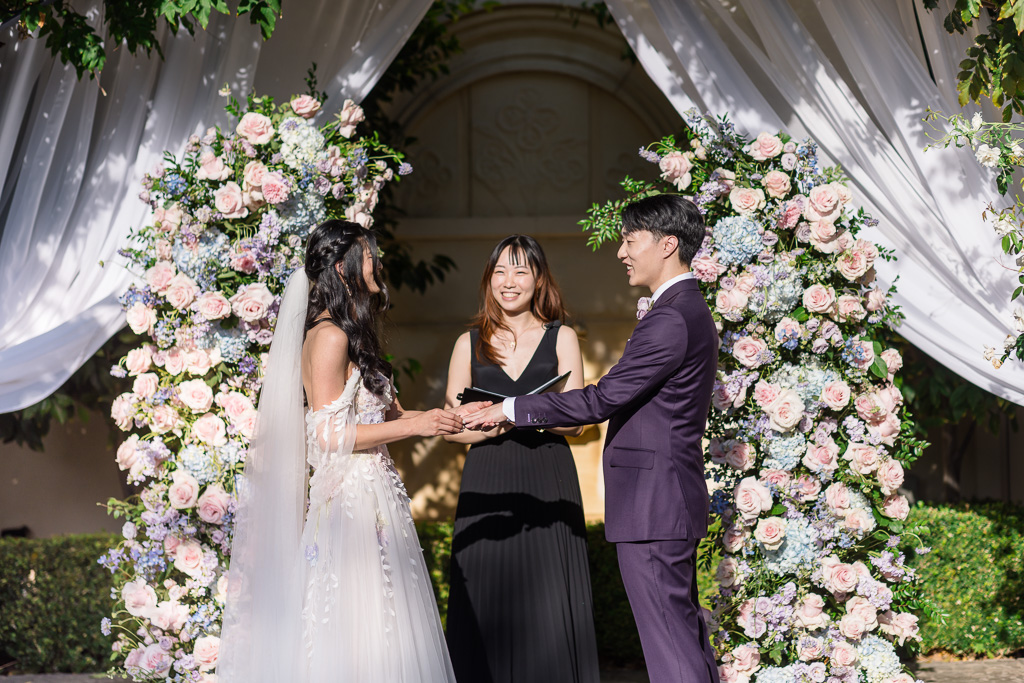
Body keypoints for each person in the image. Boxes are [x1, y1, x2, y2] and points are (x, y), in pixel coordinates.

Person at [465, 196, 721, 683]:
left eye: (630, 240)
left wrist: (510, 407)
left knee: (671, 644)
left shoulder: (670, 318)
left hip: (654, 503)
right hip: (664, 501)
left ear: (668, 245)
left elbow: (600, 400)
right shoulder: (684, 309)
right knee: (681, 636)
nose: (621, 252)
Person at [218, 220, 480, 683]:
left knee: (387, 623)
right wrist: (417, 425)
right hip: (349, 505)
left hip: (377, 496)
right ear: (343, 268)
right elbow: (329, 434)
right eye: (370, 254)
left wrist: (453, 417)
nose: (378, 262)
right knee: (355, 624)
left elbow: (389, 418)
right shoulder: (329, 336)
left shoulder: (353, 334)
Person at [442, 234, 600, 683]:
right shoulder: (467, 342)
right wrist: (479, 423)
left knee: (549, 604)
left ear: (538, 279)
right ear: (488, 280)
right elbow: (452, 427)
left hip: (547, 474)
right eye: (499, 272)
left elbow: (579, 420)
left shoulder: (562, 336)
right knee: (486, 596)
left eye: (520, 271)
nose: (508, 282)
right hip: (486, 477)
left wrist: (518, 414)